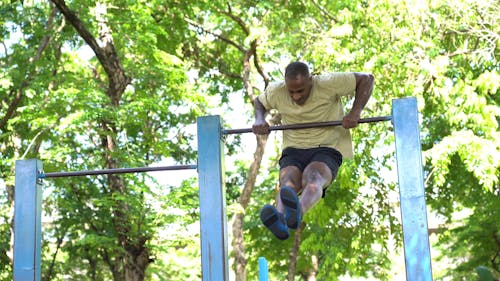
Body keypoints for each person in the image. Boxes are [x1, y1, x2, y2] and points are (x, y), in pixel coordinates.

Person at [252, 61, 373, 240]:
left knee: (314, 176)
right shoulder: (277, 91)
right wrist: (259, 119)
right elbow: (259, 102)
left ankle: (297, 212)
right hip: (294, 147)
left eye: (300, 90)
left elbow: (367, 79)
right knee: (287, 182)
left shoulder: (328, 82)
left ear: (311, 81)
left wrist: (355, 112)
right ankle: (280, 220)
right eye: (291, 91)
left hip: (326, 147)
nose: (295, 96)